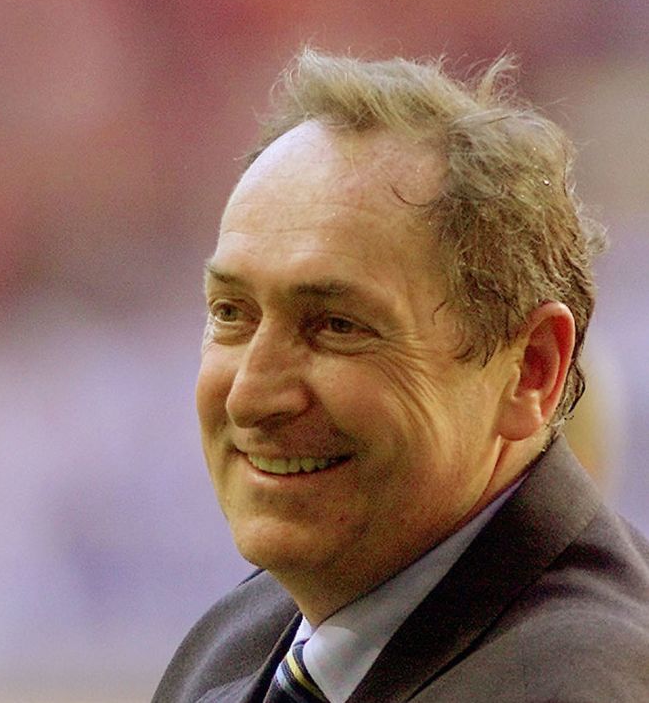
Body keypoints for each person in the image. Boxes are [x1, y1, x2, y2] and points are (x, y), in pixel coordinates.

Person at [153, 50, 649, 702]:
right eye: (231, 313)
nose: (250, 396)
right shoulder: (240, 637)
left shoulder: (573, 685)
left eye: (335, 325)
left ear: (530, 369)